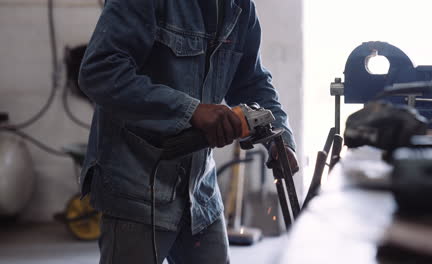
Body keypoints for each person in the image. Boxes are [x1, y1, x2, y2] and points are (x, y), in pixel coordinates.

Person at [78, 0, 298, 263]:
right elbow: (99, 72)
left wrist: (280, 139)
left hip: (199, 193)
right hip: (136, 190)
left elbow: (253, 81)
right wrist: (191, 111)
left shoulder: (240, 7)